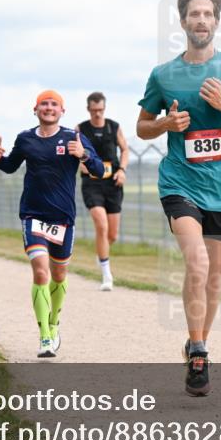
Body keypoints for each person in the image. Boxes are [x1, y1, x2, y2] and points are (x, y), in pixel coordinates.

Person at [136, 0, 221, 396]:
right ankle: (198, 353)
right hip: (180, 182)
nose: (201, 20)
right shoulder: (163, 75)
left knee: (214, 278)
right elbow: (142, 127)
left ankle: (200, 340)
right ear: (182, 22)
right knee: (195, 264)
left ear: (217, 21)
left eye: (208, 14)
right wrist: (165, 125)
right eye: (194, 14)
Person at [0, 90, 104, 358]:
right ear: (36, 109)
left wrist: (84, 155)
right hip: (32, 215)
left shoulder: (73, 138)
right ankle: (44, 337)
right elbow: (10, 166)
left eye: (54, 104)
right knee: (41, 272)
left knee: (59, 275)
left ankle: (54, 325)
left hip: (63, 218)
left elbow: (99, 170)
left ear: (62, 111)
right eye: (44, 103)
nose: (49, 107)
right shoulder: (26, 138)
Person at [78, 91, 129, 291]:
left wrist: (123, 170)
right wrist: (79, 163)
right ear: (88, 109)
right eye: (94, 110)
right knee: (101, 226)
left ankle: (101, 253)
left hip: (113, 183)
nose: (98, 114)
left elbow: (125, 149)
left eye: (101, 110)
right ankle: (107, 275)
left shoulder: (113, 127)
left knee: (112, 234)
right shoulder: (80, 129)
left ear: (104, 109)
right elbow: (72, 150)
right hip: (92, 183)